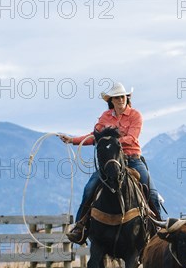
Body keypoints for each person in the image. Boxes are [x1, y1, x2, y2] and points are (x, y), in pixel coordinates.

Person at [58, 82, 163, 244]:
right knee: (89, 189)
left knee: (152, 192)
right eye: (117, 97)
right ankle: (80, 227)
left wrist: (111, 140)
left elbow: (132, 138)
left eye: (123, 96)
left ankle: (159, 228)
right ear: (111, 100)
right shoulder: (105, 117)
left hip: (132, 159)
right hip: (110, 163)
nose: (121, 99)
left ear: (127, 98)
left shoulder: (135, 115)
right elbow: (95, 136)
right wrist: (73, 140)